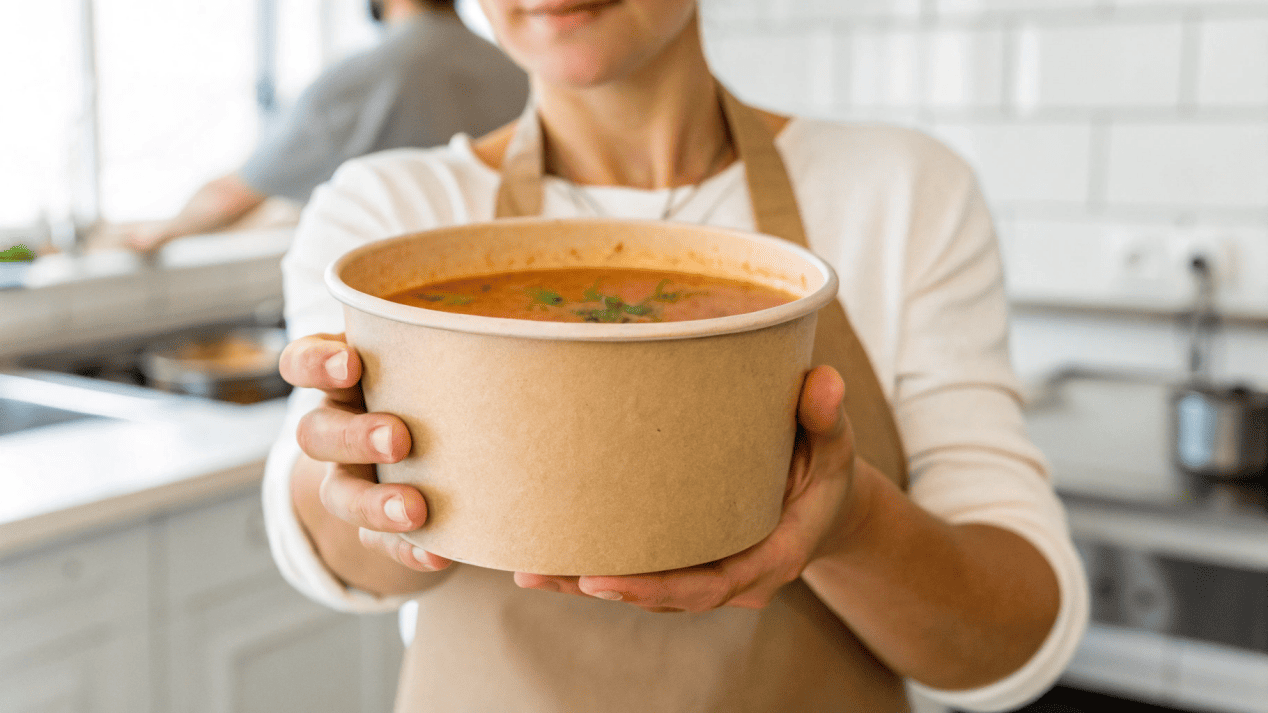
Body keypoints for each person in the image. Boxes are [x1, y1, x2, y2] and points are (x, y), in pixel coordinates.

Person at [264, 1, 1089, 711]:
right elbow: (329, 535)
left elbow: (1011, 642)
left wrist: (850, 523)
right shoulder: (388, 219)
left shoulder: (904, 194)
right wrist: (365, 493)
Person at [121, 0, 528, 252]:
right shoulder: (518, 70)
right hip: (514, 285)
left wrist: (160, 232)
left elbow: (234, 195)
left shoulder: (370, 75)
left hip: (399, 305)